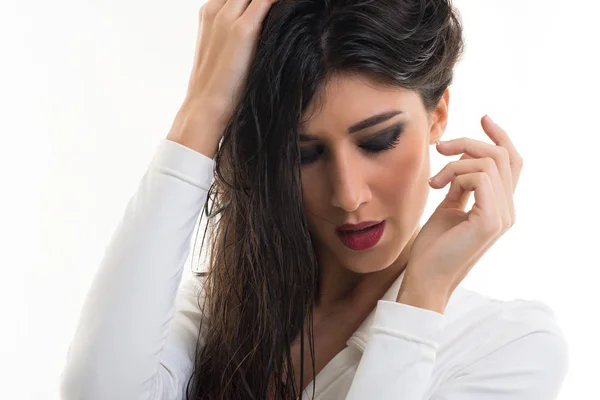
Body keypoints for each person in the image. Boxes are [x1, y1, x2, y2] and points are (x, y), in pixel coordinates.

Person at [59, 0, 569, 399]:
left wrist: (422, 297)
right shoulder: (211, 313)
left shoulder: (510, 346)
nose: (348, 195)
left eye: (378, 141)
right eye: (304, 153)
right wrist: (202, 111)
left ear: (438, 116)